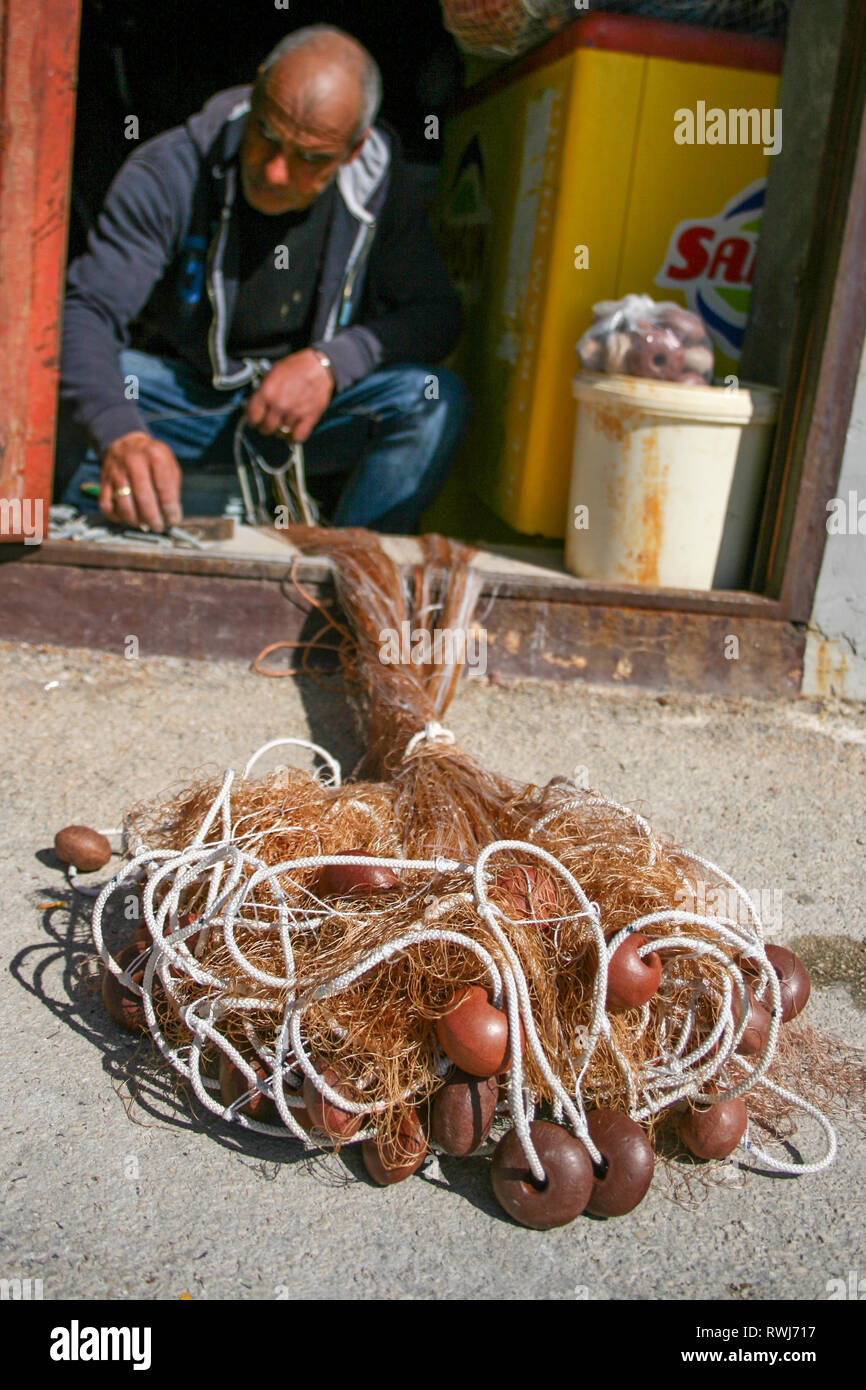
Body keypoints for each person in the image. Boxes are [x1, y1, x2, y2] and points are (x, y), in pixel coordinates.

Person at [57, 25, 469, 534]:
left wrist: (329, 364)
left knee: (432, 398)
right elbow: (87, 313)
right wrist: (121, 434)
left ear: (354, 149)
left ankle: (351, 576)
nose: (276, 172)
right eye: (267, 137)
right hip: (185, 403)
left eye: (310, 158)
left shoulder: (382, 189)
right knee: (61, 381)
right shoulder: (170, 170)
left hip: (310, 419)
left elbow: (437, 315)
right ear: (256, 95)